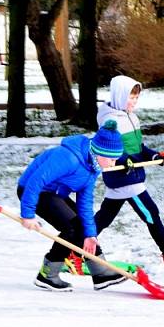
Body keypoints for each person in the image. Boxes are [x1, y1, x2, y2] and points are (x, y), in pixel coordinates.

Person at [84, 75, 164, 267]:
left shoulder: (132, 117)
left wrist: (154, 156)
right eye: (130, 97)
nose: (134, 101)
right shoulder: (110, 120)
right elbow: (105, 149)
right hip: (124, 177)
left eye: (136, 97)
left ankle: (73, 250)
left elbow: (138, 147)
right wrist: (122, 160)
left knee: (104, 217)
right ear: (119, 96)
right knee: (150, 212)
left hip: (132, 174)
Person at [17, 120, 128, 292]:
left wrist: (90, 234)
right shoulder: (68, 158)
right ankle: (47, 274)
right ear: (100, 152)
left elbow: (85, 203)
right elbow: (35, 181)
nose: (113, 164)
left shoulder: (93, 167)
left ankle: (100, 273)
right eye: (112, 159)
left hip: (54, 193)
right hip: (32, 192)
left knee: (82, 227)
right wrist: (27, 214)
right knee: (71, 229)